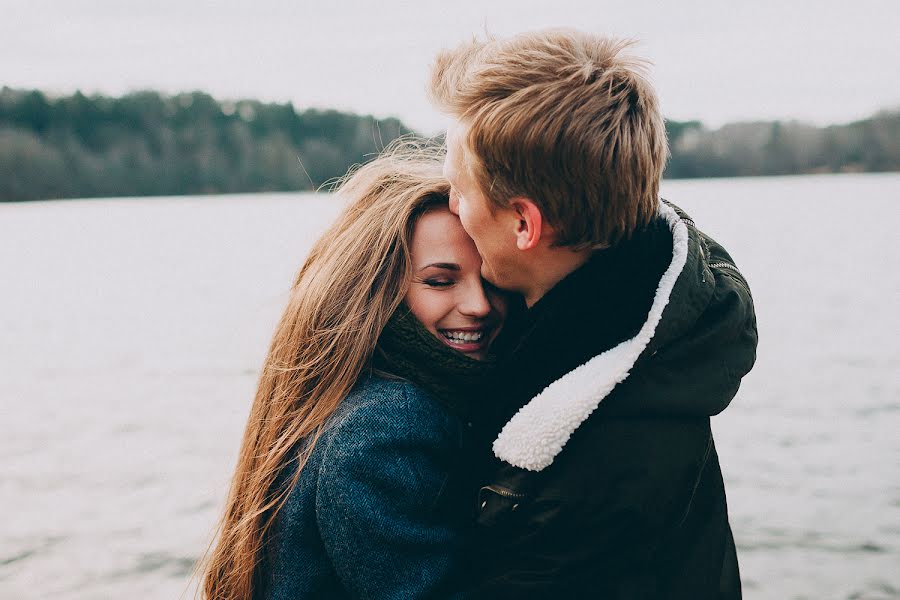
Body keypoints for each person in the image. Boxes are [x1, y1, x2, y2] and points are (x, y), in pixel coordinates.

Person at [429, 30, 758, 598]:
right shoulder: (642, 305)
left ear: (525, 225)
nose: (451, 206)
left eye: (460, 190)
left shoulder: (594, 476)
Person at [200, 144, 508, 599]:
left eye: (493, 281)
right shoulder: (387, 428)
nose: (479, 305)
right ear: (375, 293)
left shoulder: (351, 399)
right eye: (440, 281)